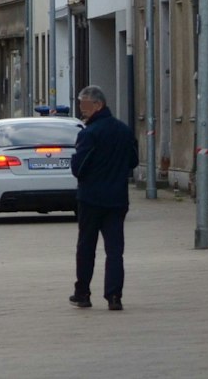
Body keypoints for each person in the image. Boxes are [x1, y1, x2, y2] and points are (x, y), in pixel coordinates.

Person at [69, 84, 136, 311]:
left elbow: (78, 168)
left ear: (98, 104)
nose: (82, 109)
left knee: (86, 247)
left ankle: (83, 293)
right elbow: (133, 161)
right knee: (115, 250)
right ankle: (114, 296)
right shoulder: (124, 131)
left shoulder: (89, 134)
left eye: (85, 105)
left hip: (90, 199)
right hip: (117, 199)